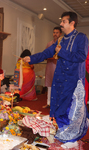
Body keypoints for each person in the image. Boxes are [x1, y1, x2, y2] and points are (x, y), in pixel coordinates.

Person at [23, 12, 89, 149]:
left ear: (72, 23)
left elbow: (81, 56)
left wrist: (61, 52)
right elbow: (47, 53)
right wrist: (32, 58)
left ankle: (72, 137)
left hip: (74, 80)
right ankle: (63, 134)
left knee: (72, 110)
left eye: (63, 21)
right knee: (59, 107)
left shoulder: (81, 37)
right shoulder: (60, 40)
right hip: (60, 80)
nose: (60, 24)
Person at [43, 27, 62, 108]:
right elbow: (45, 55)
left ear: (60, 34)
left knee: (58, 85)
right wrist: (52, 57)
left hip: (59, 67)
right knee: (49, 85)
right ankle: (48, 103)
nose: (55, 34)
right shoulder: (49, 44)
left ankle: (57, 104)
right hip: (50, 66)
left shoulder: (63, 44)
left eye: (57, 32)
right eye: (54, 32)